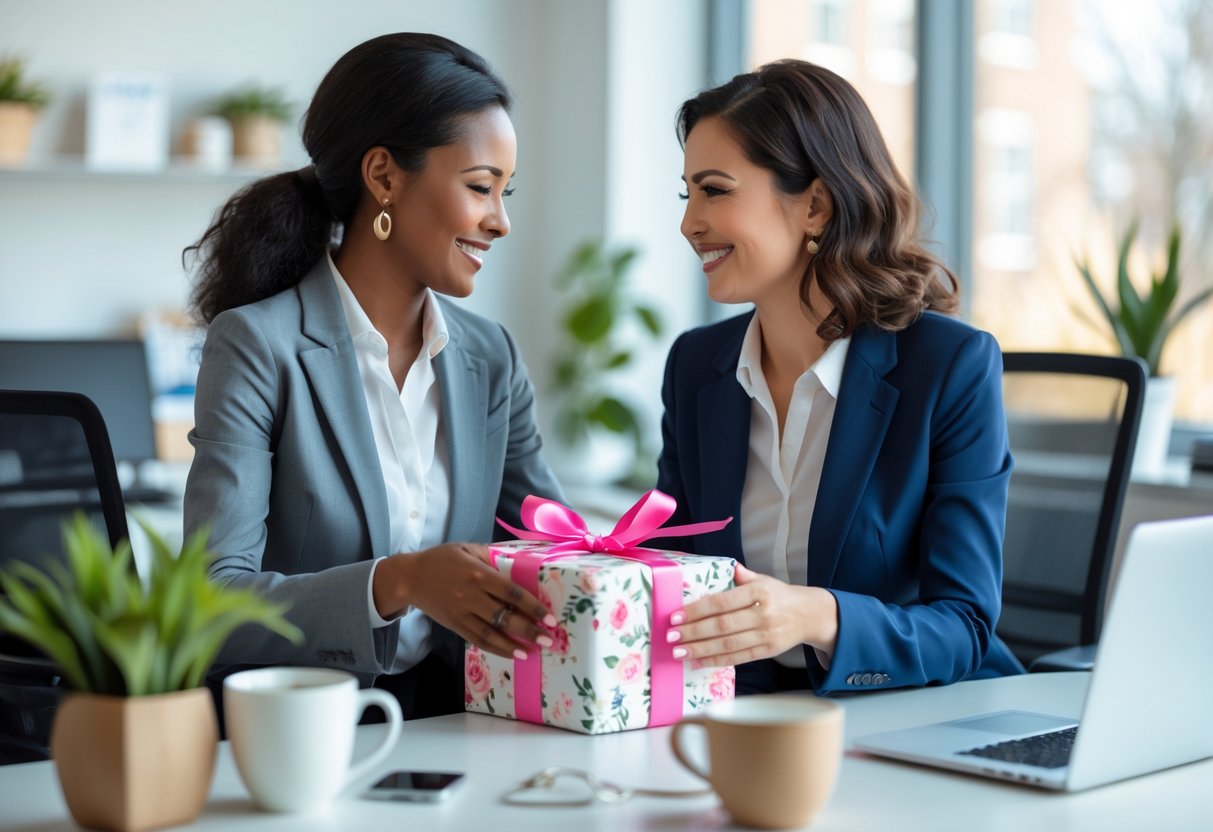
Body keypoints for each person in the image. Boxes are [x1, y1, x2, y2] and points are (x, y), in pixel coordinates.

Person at [183, 33, 562, 720]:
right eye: (481, 187)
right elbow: (212, 601)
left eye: (506, 192)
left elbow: (547, 547)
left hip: (457, 719)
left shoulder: (489, 356)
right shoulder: (258, 345)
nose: (500, 221)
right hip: (301, 725)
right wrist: (402, 581)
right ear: (384, 176)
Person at [655, 60, 1024, 696]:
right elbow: (665, 571)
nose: (689, 222)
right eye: (687, 193)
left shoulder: (948, 367)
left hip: (915, 715)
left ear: (816, 207)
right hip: (758, 720)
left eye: (714, 190)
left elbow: (964, 626)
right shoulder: (697, 367)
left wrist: (814, 615)